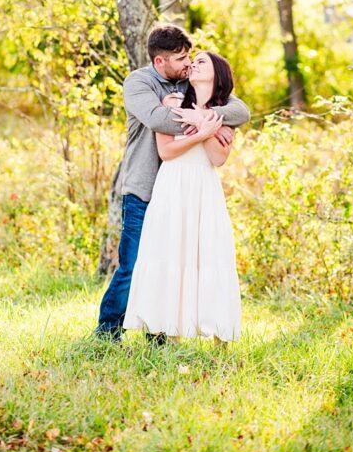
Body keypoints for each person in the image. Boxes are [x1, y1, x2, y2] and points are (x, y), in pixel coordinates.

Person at [95, 25, 249, 342]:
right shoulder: (139, 83)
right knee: (135, 264)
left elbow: (240, 109)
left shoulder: (187, 82)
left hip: (181, 192)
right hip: (144, 188)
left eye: (190, 56)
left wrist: (207, 114)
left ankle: (160, 335)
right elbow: (158, 120)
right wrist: (205, 123)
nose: (188, 63)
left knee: (171, 263)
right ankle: (107, 332)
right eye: (181, 58)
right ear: (160, 62)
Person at [124, 51, 242, 341]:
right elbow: (166, 151)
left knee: (210, 254)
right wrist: (202, 133)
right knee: (168, 252)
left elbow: (218, 159)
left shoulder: (224, 113)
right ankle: (168, 330)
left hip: (204, 186)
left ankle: (217, 334)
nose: (193, 64)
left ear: (218, 74)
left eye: (202, 61)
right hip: (171, 184)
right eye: (193, 59)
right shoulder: (172, 102)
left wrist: (206, 122)